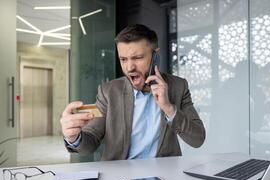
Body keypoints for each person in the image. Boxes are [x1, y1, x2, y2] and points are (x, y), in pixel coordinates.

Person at [60, 24, 205, 160]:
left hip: (163, 177)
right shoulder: (108, 92)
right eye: (123, 59)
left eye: (138, 58)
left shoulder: (178, 86)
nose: (129, 67)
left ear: (155, 56)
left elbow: (198, 139)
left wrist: (168, 108)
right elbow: (90, 142)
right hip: (119, 177)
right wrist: (73, 137)